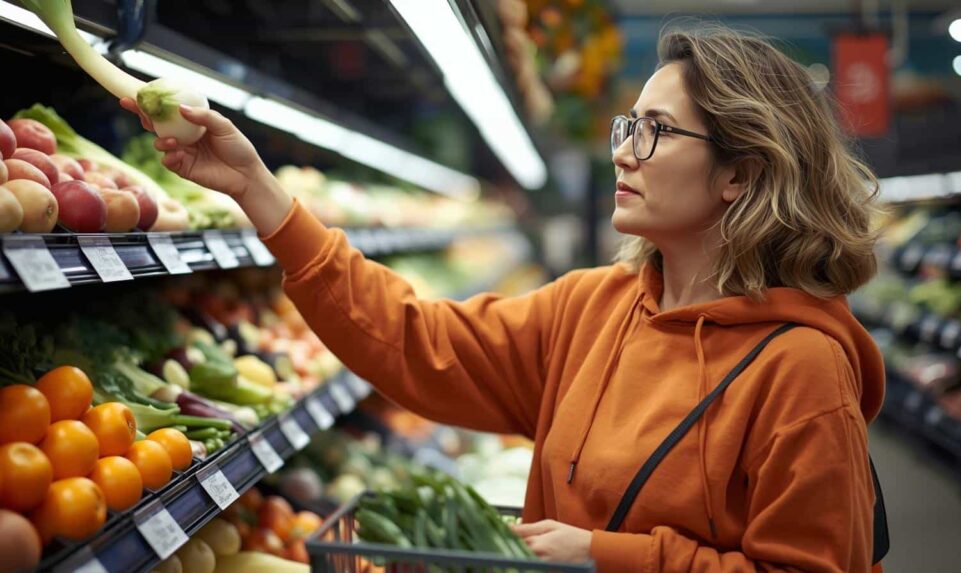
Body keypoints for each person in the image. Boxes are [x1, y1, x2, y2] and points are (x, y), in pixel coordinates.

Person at [124, 26, 884, 573]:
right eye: (628, 125)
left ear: (740, 175)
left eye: (655, 132)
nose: (622, 150)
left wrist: (602, 554)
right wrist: (260, 193)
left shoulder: (803, 371)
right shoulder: (594, 307)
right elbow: (414, 339)